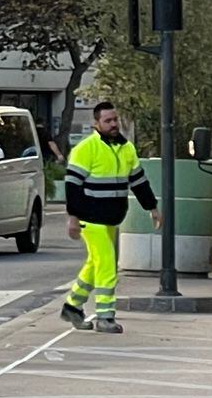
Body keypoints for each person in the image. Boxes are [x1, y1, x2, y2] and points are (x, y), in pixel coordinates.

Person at [61, 102, 159, 334]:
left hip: (112, 218)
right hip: (90, 218)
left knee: (96, 264)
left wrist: (152, 207)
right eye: (108, 120)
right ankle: (105, 316)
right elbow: (72, 186)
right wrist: (73, 217)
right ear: (96, 124)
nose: (114, 124)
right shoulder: (86, 149)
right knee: (106, 264)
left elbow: (139, 182)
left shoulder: (126, 149)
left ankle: (73, 305)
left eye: (115, 119)